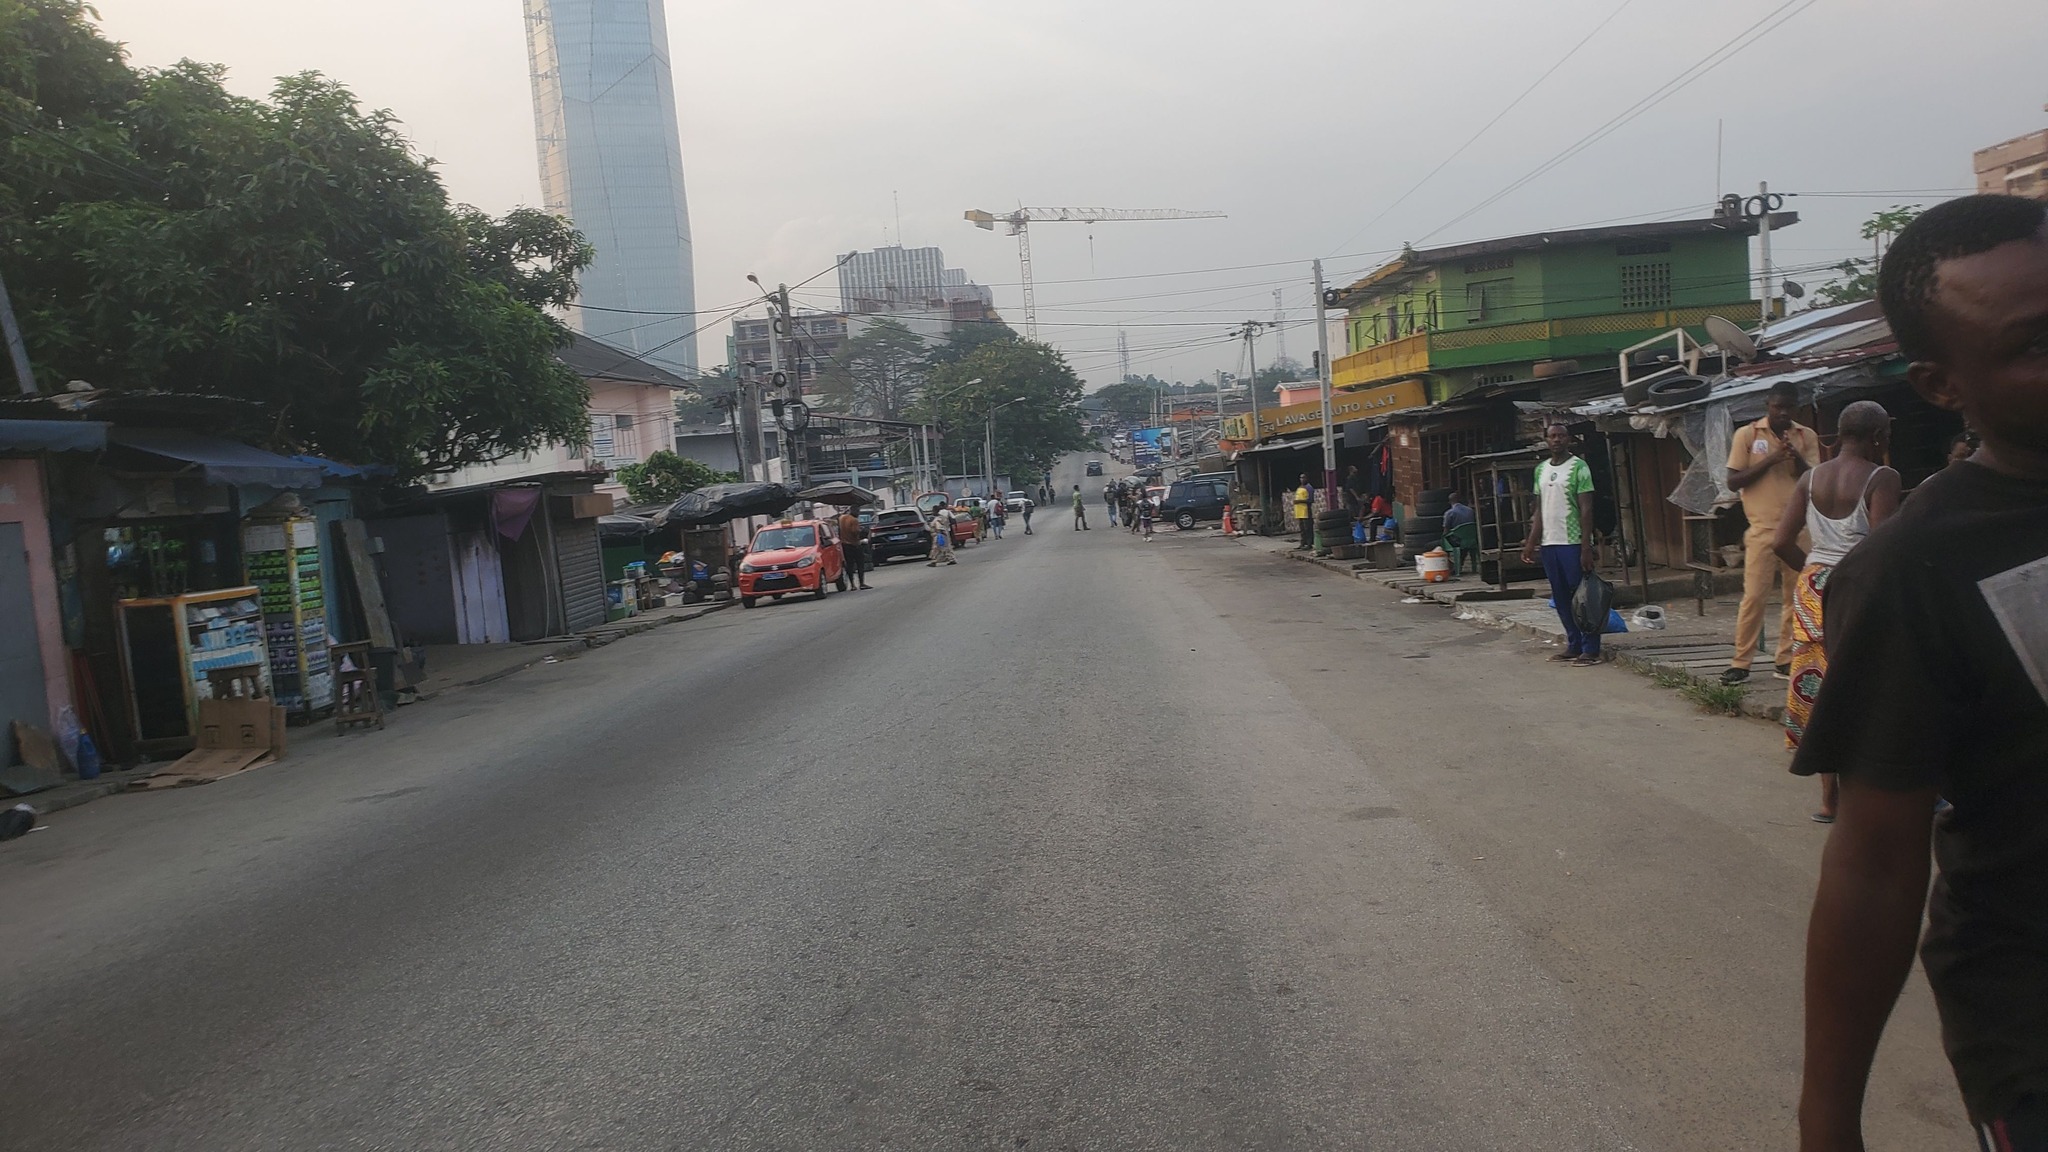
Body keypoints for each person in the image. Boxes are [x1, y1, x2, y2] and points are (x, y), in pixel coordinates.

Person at [1792, 194, 2048, 1152]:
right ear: (1939, 386)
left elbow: (1782, 539)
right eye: (2037, 343)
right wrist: (1828, 1124)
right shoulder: (1915, 573)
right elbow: (1876, 859)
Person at [1771, 400, 1900, 822]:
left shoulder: (1811, 478)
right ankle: (1873, 790)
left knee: (1818, 685)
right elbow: (1882, 548)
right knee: (1866, 683)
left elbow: (1781, 541)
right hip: (1857, 586)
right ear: (1878, 436)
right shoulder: (1882, 477)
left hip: (1812, 585)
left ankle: (1829, 801)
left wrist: (1811, 571)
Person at [1721, 380, 1824, 685]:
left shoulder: (1806, 435)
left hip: (1799, 529)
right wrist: (1771, 459)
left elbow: (1815, 478)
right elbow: (1733, 481)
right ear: (1768, 405)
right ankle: (1741, 663)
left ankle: (1786, 658)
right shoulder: (1748, 435)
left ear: (1796, 408)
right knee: (1754, 597)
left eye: (1788, 407)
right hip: (1762, 529)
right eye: (1777, 406)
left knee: (1795, 596)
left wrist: (1796, 459)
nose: (1782, 412)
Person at [1519, 423, 1600, 667]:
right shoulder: (1541, 470)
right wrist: (1531, 543)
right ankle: (1573, 644)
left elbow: (1586, 509)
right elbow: (1540, 511)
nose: (1557, 440)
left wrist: (1586, 546)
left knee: (1582, 597)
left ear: (1569, 439)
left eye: (1561, 436)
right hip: (1549, 544)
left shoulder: (1579, 467)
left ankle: (1591, 648)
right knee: (1561, 597)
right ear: (1545, 440)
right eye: (1552, 436)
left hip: (1572, 543)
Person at [835, 508, 871, 589]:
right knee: (860, 564)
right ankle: (861, 583)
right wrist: (862, 532)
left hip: (844, 545)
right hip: (854, 544)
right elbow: (855, 531)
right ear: (856, 512)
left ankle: (852, 585)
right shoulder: (854, 520)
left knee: (849, 565)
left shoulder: (841, 518)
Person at [1293, 474, 1316, 550]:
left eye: (1303, 478)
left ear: (1307, 478)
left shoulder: (1309, 488)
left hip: (1306, 511)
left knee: (1308, 528)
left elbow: (1311, 500)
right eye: (1301, 478)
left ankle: (1309, 544)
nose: (1302, 479)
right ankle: (1303, 543)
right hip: (1299, 512)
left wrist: (1299, 501)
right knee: (1302, 529)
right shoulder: (1299, 487)